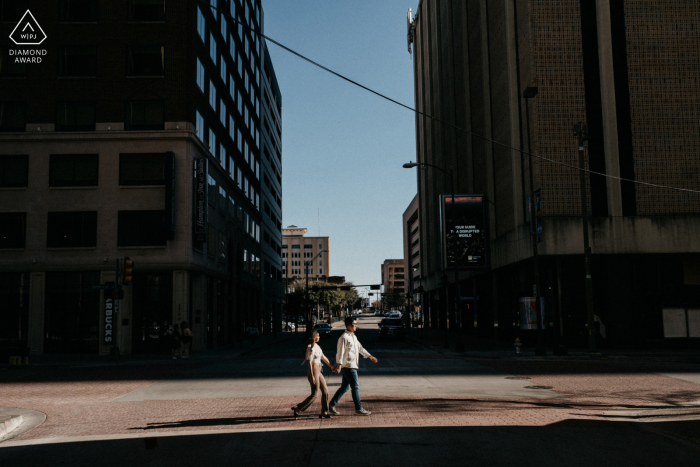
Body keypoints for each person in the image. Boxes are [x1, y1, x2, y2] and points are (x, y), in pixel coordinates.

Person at [328, 316, 377, 416]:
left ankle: (332, 404)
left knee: (344, 388)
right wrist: (339, 365)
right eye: (354, 325)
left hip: (352, 365)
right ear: (348, 325)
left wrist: (370, 356)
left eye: (356, 324)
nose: (355, 326)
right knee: (355, 387)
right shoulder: (343, 338)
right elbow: (340, 353)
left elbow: (360, 348)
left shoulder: (353, 337)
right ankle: (358, 408)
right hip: (348, 366)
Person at [291, 331, 337, 419]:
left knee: (325, 391)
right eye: (318, 335)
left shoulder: (317, 346)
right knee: (314, 394)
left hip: (319, 370)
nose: (319, 337)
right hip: (313, 370)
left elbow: (323, 357)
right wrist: (312, 375)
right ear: (314, 337)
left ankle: (324, 411)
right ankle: (298, 408)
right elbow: (309, 363)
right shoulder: (309, 348)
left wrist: (331, 366)